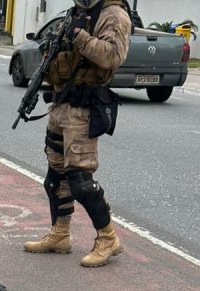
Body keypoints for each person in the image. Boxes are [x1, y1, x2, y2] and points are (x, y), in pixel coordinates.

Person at [22, 0, 131, 267]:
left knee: (80, 179)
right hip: (60, 103)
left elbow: (112, 56)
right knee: (54, 178)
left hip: (84, 108)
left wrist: (80, 37)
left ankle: (108, 238)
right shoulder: (77, 13)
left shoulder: (113, 15)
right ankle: (60, 235)